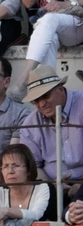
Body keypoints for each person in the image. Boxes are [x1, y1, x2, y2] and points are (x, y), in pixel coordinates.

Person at [17, 64, 83, 195]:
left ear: (60, 89)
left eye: (46, 96)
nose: (41, 104)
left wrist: (80, 184)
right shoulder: (30, 123)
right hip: (49, 186)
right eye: (36, 100)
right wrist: (51, 184)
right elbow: (32, 165)